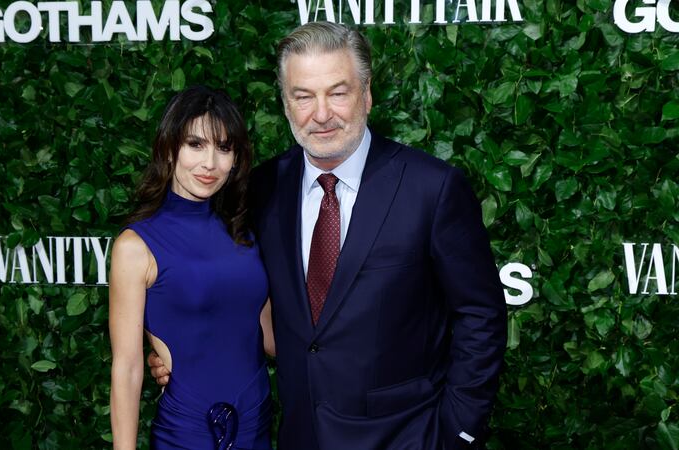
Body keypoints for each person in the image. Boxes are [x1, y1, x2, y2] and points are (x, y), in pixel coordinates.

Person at [151, 22, 507, 450]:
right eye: (303, 96)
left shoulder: (431, 188)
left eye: (338, 93)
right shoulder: (262, 189)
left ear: (367, 94)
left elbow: (481, 314)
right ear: (285, 104)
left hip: (408, 437)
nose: (321, 114)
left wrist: (458, 431)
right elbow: (232, 296)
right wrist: (182, 353)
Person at [109, 85, 274, 450]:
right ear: (169, 148)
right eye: (195, 144)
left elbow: (273, 338)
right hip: (185, 434)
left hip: (257, 429)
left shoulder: (246, 234)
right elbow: (127, 367)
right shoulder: (135, 247)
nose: (210, 163)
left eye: (224, 147)